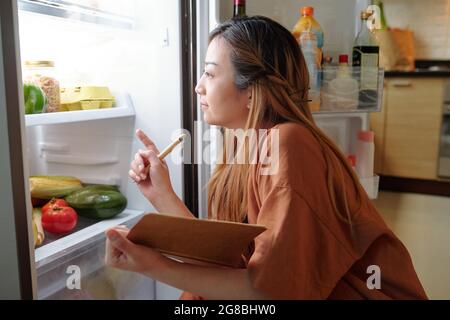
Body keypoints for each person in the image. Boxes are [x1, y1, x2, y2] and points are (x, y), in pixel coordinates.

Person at [105, 16, 427, 300]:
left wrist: (152, 264)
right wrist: (161, 193)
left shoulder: (290, 143)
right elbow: (223, 260)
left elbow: (270, 292)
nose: (198, 86)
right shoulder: (244, 145)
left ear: (252, 88)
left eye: (210, 74)